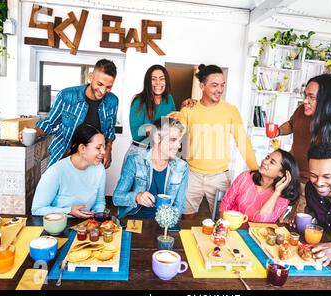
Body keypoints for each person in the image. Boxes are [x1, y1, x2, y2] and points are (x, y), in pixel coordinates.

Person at [177, 64, 258, 218]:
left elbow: (242, 141)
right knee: (187, 217)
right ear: (202, 86)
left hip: (220, 177)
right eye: (214, 85)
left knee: (223, 220)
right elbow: (172, 137)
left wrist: (255, 170)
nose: (220, 90)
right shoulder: (189, 109)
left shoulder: (230, 110)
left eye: (222, 85)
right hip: (192, 175)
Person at [277, 74, 331, 215]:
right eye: (305, 95)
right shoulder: (301, 112)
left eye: (312, 97)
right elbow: (291, 124)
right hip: (292, 178)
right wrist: (278, 131)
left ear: (328, 102)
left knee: (298, 228)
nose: (305, 101)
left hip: (316, 189)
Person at [25, 59, 119, 169]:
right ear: (91, 77)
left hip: (91, 162)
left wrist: (108, 150)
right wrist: (33, 133)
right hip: (62, 157)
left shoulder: (112, 101)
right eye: (100, 84)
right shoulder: (67, 95)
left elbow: (109, 131)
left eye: (108, 87)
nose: (103, 91)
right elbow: (49, 123)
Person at [113, 117, 188, 219]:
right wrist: (137, 197)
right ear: (157, 138)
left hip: (164, 223)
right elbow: (117, 198)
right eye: (173, 140)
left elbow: (179, 206)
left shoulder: (182, 167)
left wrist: (167, 223)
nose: (178, 146)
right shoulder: (135, 160)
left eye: (179, 141)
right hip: (135, 219)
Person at [32, 124, 106, 218]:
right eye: (98, 148)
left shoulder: (99, 169)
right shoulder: (55, 172)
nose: (103, 152)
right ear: (82, 148)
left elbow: (100, 202)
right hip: (59, 225)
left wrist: (96, 217)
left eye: (104, 147)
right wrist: (68, 211)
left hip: (86, 226)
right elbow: (36, 210)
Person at [219, 149, 300, 223]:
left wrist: (277, 192)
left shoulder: (283, 197)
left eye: (272, 162)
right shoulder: (245, 177)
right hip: (229, 226)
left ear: (281, 173)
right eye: (267, 157)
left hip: (254, 235)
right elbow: (226, 203)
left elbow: (261, 221)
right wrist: (224, 225)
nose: (265, 161)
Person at [128, 64, 176, 154]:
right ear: (147, 82)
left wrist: (184, 107)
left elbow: (174, 124)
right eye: (153, 79)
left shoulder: (169, 99)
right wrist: (158, 125)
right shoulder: (139, 101)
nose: (158, 82)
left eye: (162, 79)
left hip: (161, 152)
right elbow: (135, 134)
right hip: (140, 151)